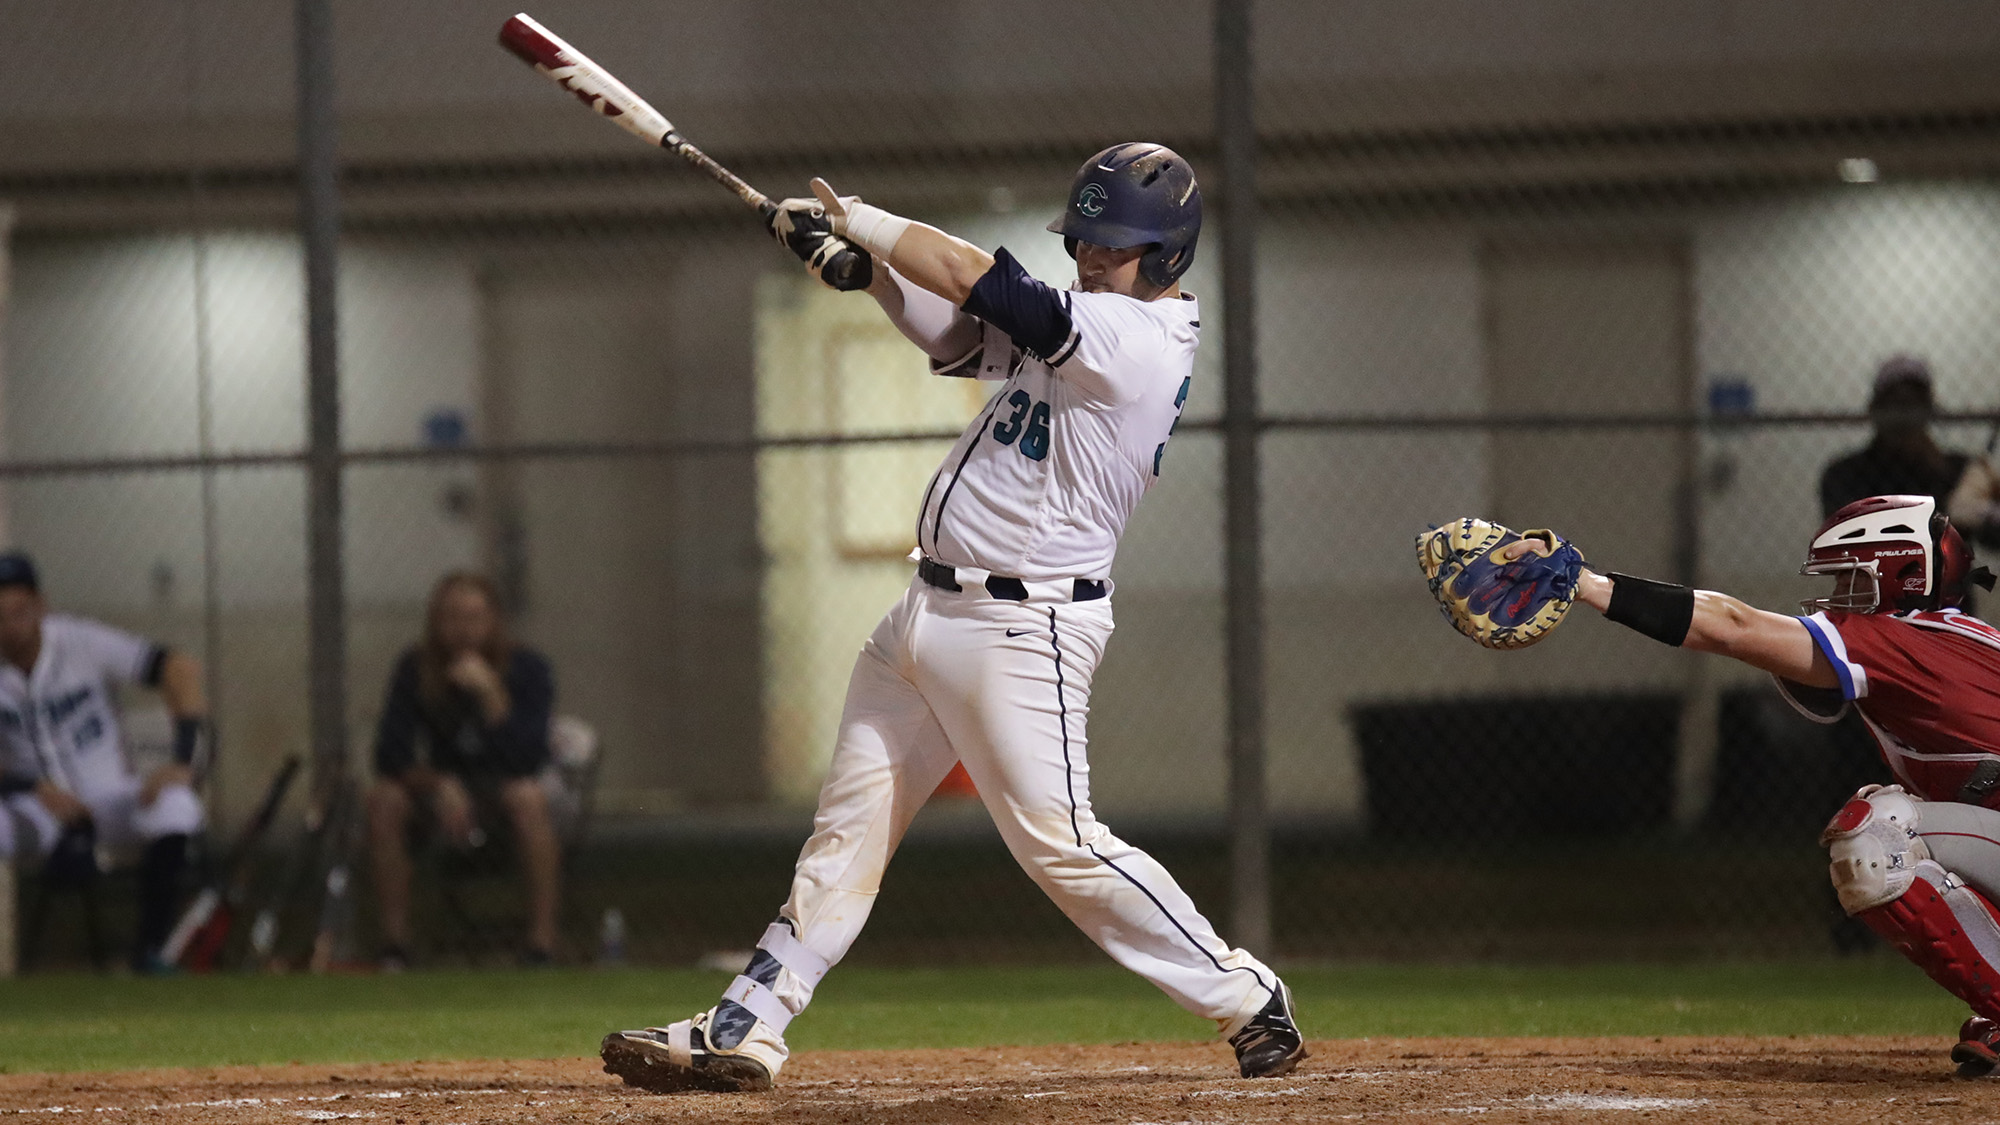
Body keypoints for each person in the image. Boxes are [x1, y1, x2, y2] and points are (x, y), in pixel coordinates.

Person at [598, 144, 1305, 1093]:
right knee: (845, 831)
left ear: (1168, 255)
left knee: (1063, 845)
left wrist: (866, 221)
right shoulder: (1091, 324)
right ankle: (748, 1021)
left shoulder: (1140, 340)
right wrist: (860, 272)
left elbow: (987, 283)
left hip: (1025, 632)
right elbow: (957, 333)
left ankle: (1246, 994)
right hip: (923, 613)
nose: (1091, 255)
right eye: (1084, 238)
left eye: (1113, 243)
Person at [1493, 494, 2000, 1074]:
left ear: (1902, 575)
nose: (1839, 601)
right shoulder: (1948, 641)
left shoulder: (1906, 639)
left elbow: (1732, 628)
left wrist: (1586, 584)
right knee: (1902, 818)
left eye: (1852, 579)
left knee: (1877, 835)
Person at [0, 552, 209, 971]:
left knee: (177, 806)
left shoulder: (78, 640)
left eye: (19, 610)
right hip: (35, 810)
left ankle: (151, 952)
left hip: (107, 798)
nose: (10, 624)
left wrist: (182, 760)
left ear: (41, 604)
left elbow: (179, 669)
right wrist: (31, 787)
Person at [366, 571, 558, 968]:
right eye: (452, 618)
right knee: (384, 799)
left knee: (530, 798)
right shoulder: (416, 669)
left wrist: (492, 696)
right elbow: (389, 754)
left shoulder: (528, 669)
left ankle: (541, 944)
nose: (464, 630)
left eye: (474, 618)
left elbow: (529, 758)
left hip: (500, 794)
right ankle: (395, 947)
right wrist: (438, 783)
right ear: (436, 623)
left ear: (494, 622)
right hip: (437, 797)